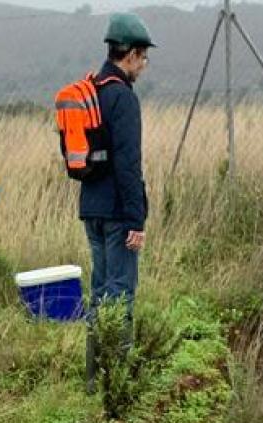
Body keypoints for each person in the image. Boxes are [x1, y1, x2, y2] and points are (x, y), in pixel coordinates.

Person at [79, 12, 154, 393]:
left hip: (90, 207)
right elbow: (128, 165)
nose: (144, 64)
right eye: (143, 56)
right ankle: (118, 382)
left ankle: (94, 379)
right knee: (121, 294)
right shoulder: (122, 97)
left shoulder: (92, 88)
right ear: (132, 55)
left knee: (100, 291)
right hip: (116, 213)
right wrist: (136, 220)